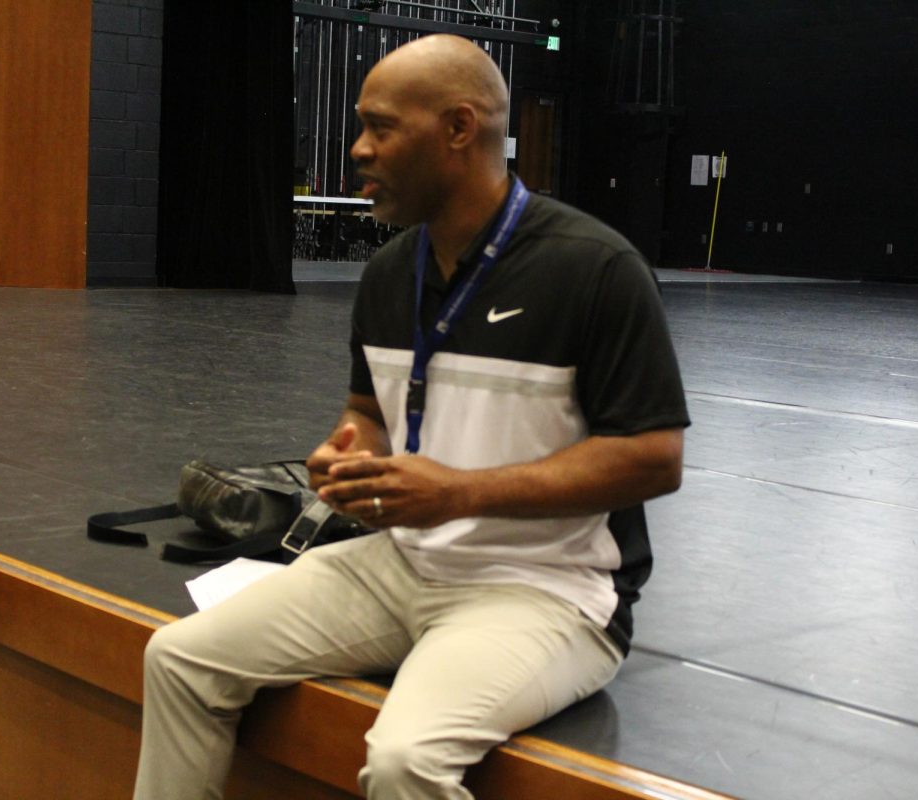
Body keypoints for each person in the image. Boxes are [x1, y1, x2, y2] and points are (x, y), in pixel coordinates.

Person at [134, 34, 689, 800]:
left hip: (546, 592)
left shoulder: (595, 270)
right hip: (404, 564)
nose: (359, 149)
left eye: (380, 127)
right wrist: (345, 452)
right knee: (179, 659)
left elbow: (653, 458)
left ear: (459, 130)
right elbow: (368, 411)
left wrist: (460, 494)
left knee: (404, 760)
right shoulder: (392, 273)